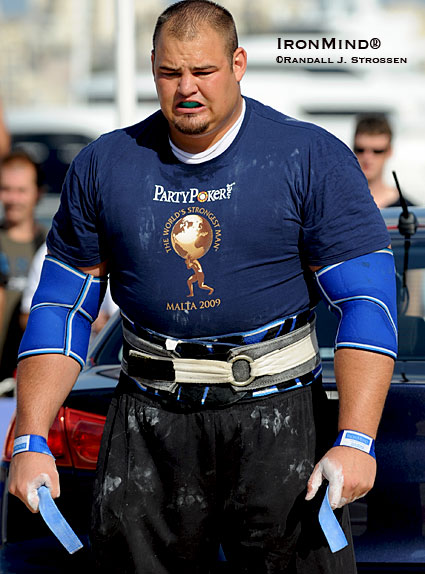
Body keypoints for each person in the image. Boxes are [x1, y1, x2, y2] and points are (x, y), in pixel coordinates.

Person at [9, 2, 397, 573]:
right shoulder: (104, 165)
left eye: (203, 71)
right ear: (152, 69)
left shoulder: (309, 157)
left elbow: (367, 302)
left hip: (279, 421)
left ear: (238, 63)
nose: (186, 88)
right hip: (149, 424)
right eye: (170, 73)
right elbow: (61, 308)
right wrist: (31, 438)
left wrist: (357, 440)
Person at [0, 151, 46, 380]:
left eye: (21, 191)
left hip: (33, 372)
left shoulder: (53, 247)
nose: (12, 199)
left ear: (38, 193)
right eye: (6, 189)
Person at [353, 114, 412, 208]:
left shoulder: (410, 211)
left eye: (377, 151)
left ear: (389, 151)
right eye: (360, 150)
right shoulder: (337, 205)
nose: (367, 157)